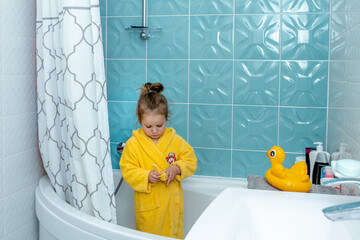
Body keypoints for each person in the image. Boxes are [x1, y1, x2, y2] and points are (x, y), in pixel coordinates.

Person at [119, 82, 197, 239]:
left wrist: (176, 168)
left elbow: (190, 159)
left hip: (171, 206)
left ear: (166, 119)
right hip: (149, 207)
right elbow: (127, 168)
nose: (154, 130)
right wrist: (145, 175)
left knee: (172, 234)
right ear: (140, 121)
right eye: (148, 126)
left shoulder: (175, 140)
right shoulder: (134, 144)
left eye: (159, 125)